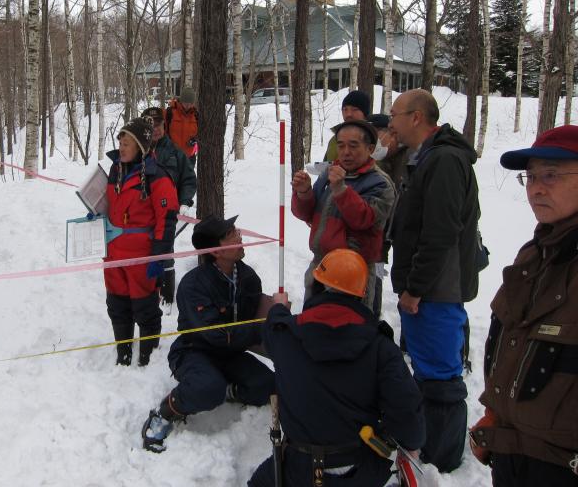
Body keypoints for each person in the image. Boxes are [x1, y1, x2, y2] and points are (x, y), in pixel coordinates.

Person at [249, 249, 425, 487]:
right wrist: (411, 445)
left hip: (297, 469)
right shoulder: (380, 347)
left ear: (317, 286)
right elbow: (406, 414)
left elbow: (273, 327)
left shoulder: (285, 335)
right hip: (360, 469)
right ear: (361, 296)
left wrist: (279, 308)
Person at [470, 125, 578, 486]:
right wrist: (498, 414)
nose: (536, 187)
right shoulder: (534, 254)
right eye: (530, 176)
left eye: (551, 175)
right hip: (515, 457)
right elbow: (515, 342)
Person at [388, 89, 480, 473]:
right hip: (433, 288)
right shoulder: (428, 157)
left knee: (440, 376)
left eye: (395, 115)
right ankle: (430, 446)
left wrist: (416, 288)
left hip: (436, 291)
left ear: (417, 117)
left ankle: (440, 458)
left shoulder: (443, 159)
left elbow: (440, 231)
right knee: (429, 370)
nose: (390, 123)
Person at [141, 215, 275, 453]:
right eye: (231, 234)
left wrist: (276, 316)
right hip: (195, 351)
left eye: (236, 231)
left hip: (231, 353)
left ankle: (226, 390)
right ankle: (165, 412)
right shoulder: (193, 285)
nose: (240, 236)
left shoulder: (249, 279)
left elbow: (248, 322)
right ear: (216, 251)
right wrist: (263, 327)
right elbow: (216, 335)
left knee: (269, 386)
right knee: (207, 388)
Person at [291, 119, 395, 311]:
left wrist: (340, 190)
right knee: (313, 328)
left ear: (370, 148)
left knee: (351, 334)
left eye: (353, 145)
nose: (346, 152)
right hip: (320, 266)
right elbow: (307, 216)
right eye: (341, 145)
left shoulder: (380, 183)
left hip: (353, 273)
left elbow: (364, 219)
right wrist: (303, 192)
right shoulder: (330, 174)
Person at [104, 116, 178, 367]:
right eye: (120, 142)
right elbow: (108, 206)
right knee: (117, 305)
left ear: (140, 147)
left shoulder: (158, 177)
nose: (121, 147)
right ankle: (122, 354)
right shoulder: (116, 170)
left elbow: (166, 220)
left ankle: (148, 358)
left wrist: (158, 257)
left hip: (141, 257)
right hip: (114, 255)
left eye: (127, 143)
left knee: (144, 308)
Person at [141, 106, 197, 304]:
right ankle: (146, 294)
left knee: (165, 253)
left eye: (158, 125)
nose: (155, 129)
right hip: (141, 215)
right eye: (150, 126)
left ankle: (166, 300)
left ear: (164, 125)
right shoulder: (137, 150)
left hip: (166, 215)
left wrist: (184, 201)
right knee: (143, 254)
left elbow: (189, 179)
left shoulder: (175, 152)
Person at [366, 113, 409, 318]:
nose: (374, 145)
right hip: (382, 237)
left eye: (376, 137)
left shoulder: (408, 159)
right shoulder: (383, 159)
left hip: (402, 238)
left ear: (390, 134)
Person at [323, 90, 371, 162]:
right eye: (345, 109)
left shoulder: (374, 138)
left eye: (354, 109)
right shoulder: (335, 139)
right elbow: (326, 166)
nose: (349, 114)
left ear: (364, 113)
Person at [165, 88, 198, 166]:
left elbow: (200, 134)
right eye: (186, 103)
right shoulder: (170, 113)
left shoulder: (196, 116)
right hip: (173, 157)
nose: (188, 106)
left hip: (189, 158)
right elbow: (162, 132)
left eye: (190, 103)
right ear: (181, 101)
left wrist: (195, 139)